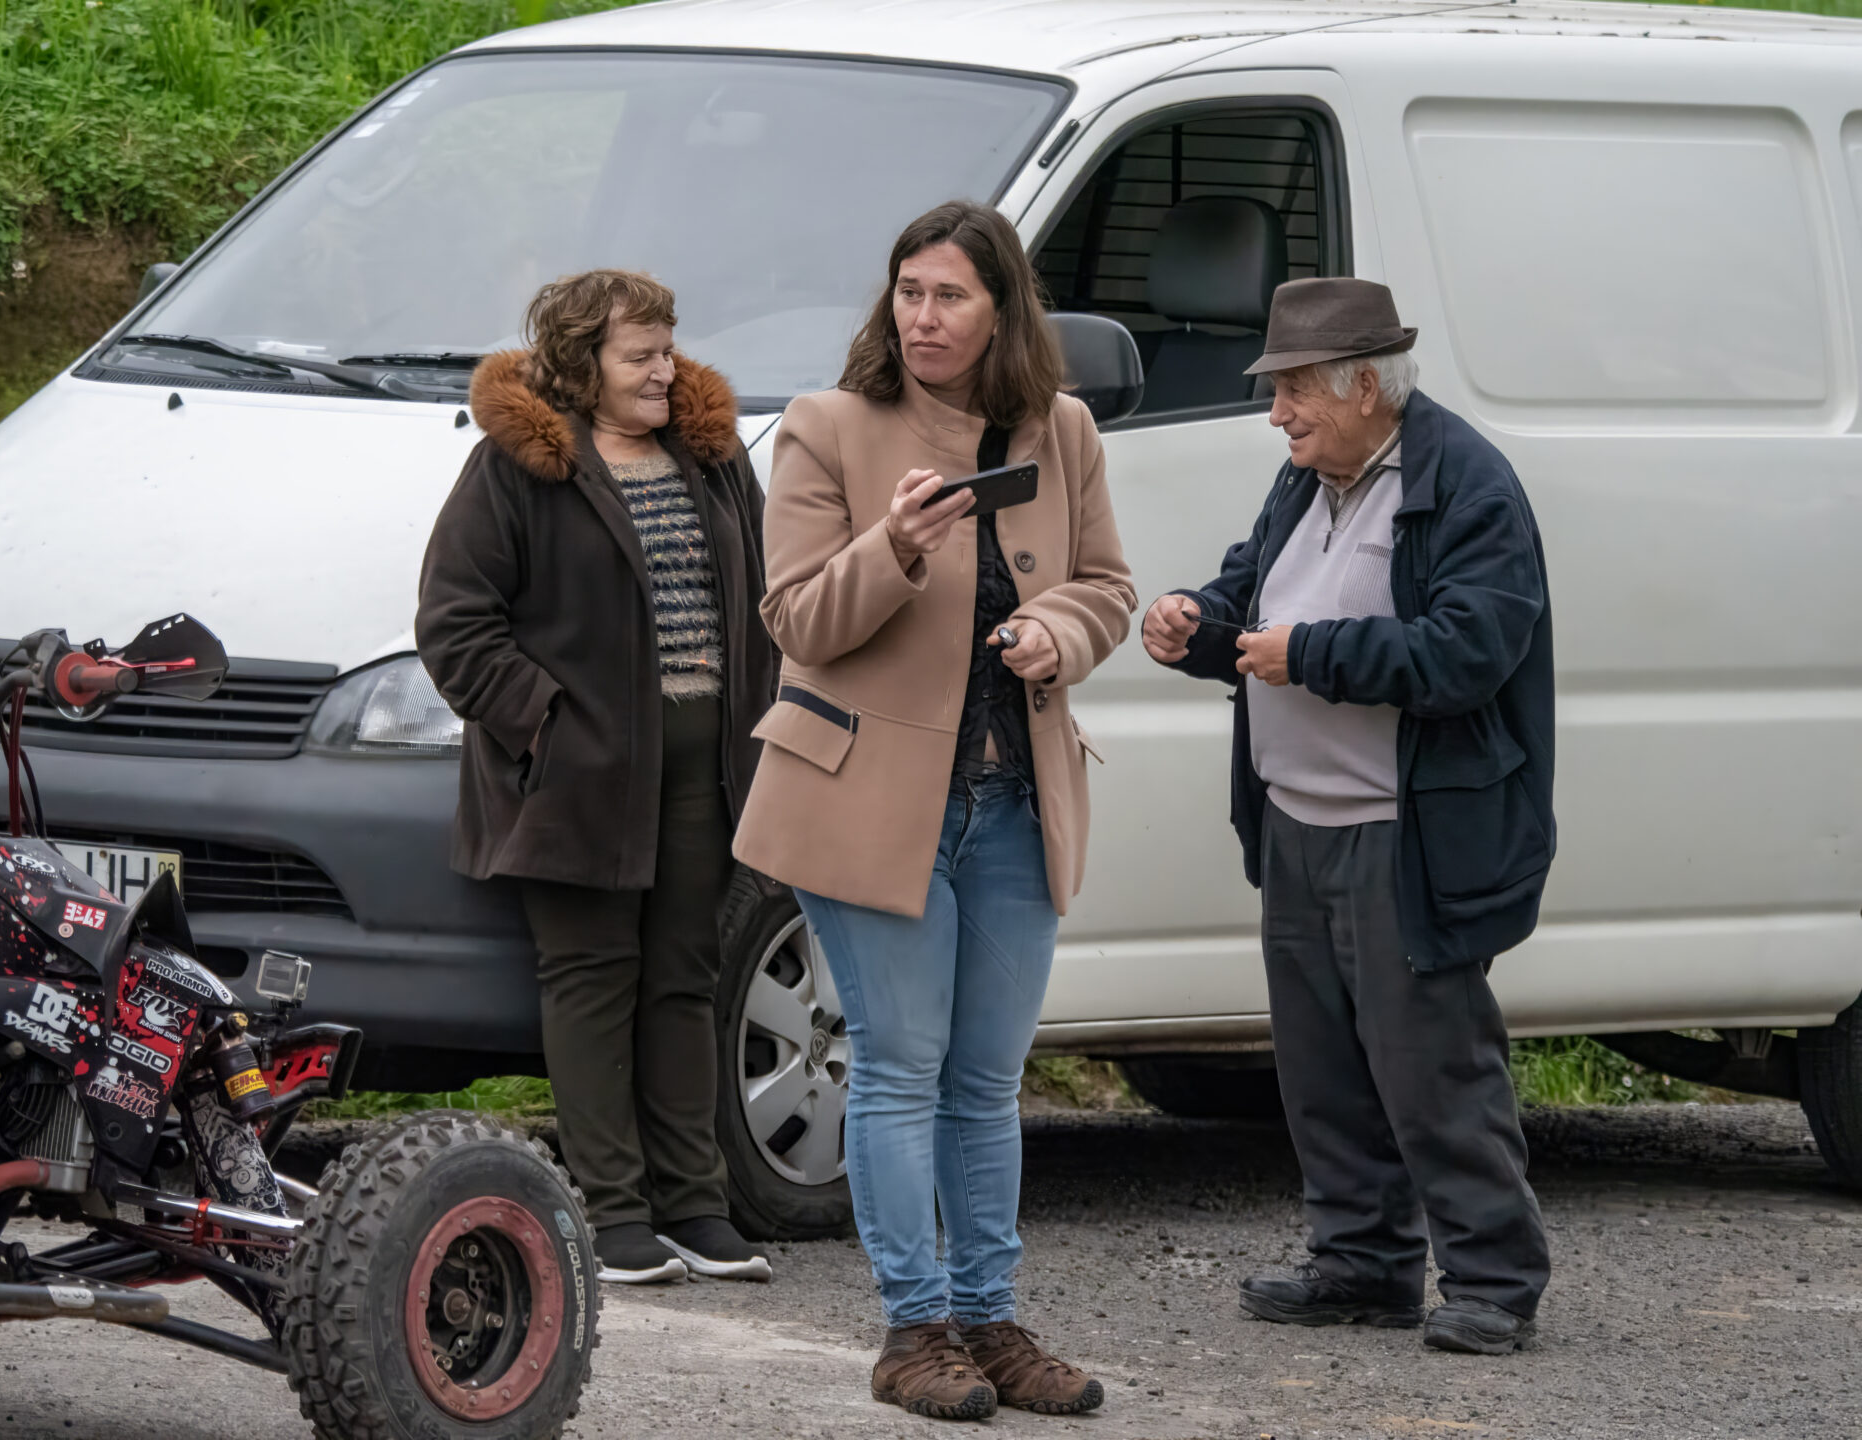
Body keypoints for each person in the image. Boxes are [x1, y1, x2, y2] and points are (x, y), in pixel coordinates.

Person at [734, 201, 1134, 1421]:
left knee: (987, 1080)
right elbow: (797, 619)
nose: (923, 316)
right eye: (909, 291)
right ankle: (915, 1332)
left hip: (1016, 795)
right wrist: (894, 547)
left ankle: (990, 1323)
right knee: (902, 1069)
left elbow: (1108, 589)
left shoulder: (1064, 429)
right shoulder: (827, 427)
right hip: (865, 799)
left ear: (1003, 310)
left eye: (950, 295)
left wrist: (1055, 630)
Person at [1141, 277, 1554, 1355]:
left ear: (1366, 387)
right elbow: (1255, 596)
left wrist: (1314, 656)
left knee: (1434, 1069)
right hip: (1296, 822)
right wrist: (1196, 625)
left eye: (1293, 391)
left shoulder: (1468, 484)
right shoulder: (1307, 478)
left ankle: (1494, 1280)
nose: (1276, 414)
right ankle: (1362, 1263)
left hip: (1404, 835)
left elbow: (1468, 651)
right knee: (1321, 1066)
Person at [416, 269, 777, 1286]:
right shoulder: (517, 467)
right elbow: (453, 623)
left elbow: (767, 591)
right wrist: (546, 728)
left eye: (668, 349)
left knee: (686, 980)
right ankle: (613, 1213)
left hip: (708, 768)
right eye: (640, 356)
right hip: (576, 777)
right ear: (583, 364)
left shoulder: (711, 457)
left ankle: (695, 1205)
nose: (665, 371)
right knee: (591, 982)